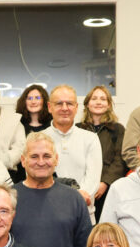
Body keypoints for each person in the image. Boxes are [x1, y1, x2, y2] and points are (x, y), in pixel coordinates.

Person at [43, 85, 103, 214]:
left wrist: (75, 199)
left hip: (83, 213)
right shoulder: (38, 139)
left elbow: (93, 179)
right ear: (49, 107)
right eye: (59, 103)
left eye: (69, 103)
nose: (65, 108)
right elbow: (36, 178)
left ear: (76, 107)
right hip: (48, 211)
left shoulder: (91, 139)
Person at [77, 85, 127, 220]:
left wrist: (105, 182)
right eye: (94, 99)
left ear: (109, 104)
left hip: (108, 189)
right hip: (82, 188)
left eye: (103, 99)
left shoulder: (118, 129)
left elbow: (120, 159)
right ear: (87, 104)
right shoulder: (78, 129)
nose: (98, 102)